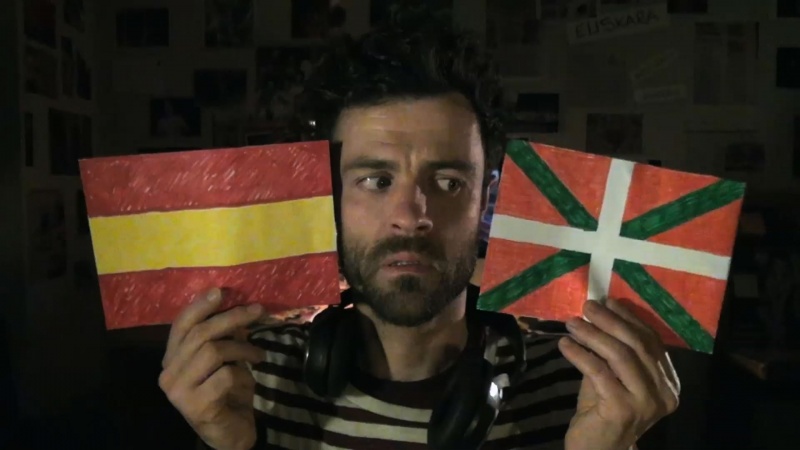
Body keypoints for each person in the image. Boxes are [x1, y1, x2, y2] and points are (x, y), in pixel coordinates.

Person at [158, 18, 680, 450]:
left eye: (448, 181)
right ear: (330, 197)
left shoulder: (589, 388)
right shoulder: (246, 378)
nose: (410, 217)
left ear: (487, 199)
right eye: (376, 181)